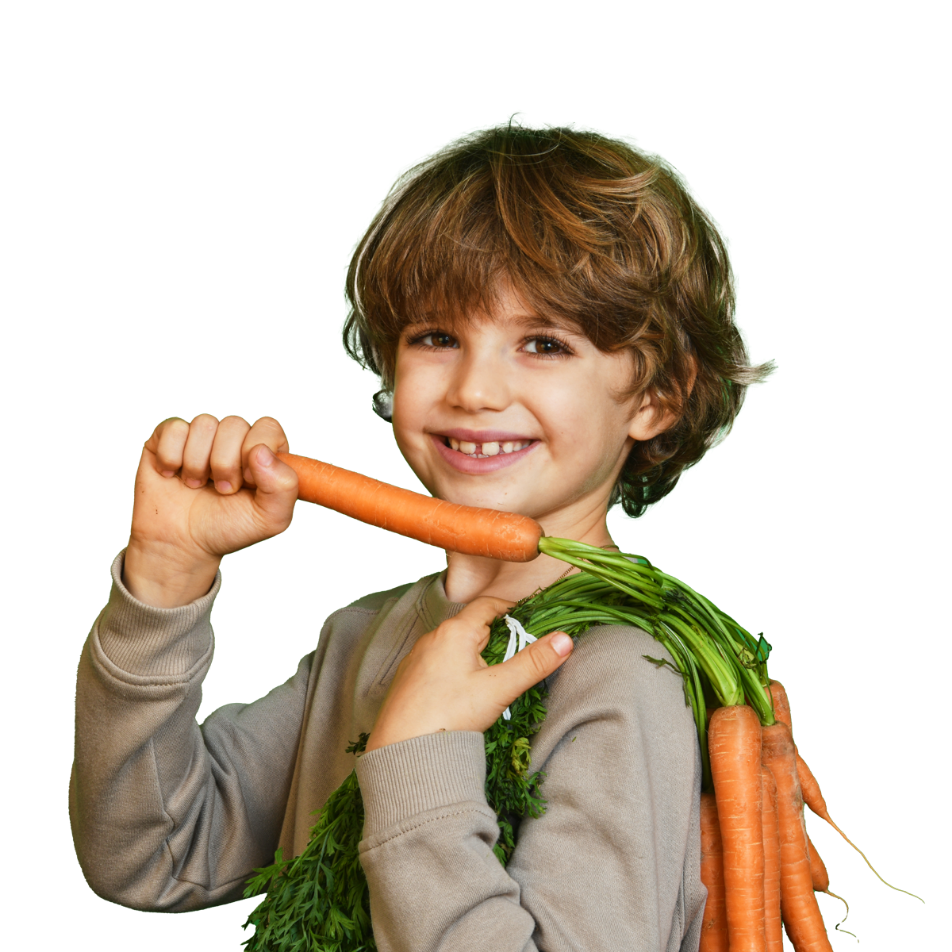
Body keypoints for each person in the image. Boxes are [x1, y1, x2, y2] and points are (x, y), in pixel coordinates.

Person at [69, 113, 777, 951]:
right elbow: (150, 855)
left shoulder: (621, 673)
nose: (474, 390)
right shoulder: (362, 635)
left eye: (544, 343)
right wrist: (163, 583)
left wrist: (417, 757)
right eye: (437, 336)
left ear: (657, 396)